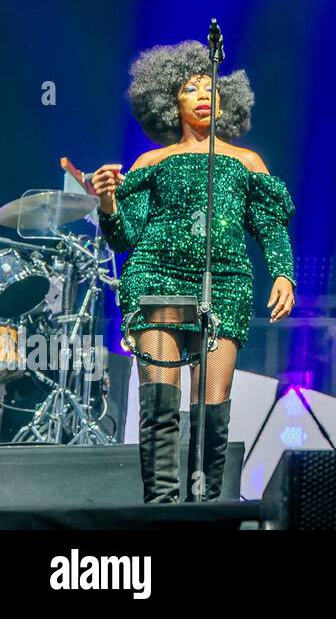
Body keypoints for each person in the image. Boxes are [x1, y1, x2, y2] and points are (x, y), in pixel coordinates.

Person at [90, 41, 296, 502]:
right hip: (156, 278)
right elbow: (125, 237)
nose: (204, 94)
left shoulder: (246, 162)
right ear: (170, 101)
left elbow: (270, 225)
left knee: (210, 408)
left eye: (211, 87)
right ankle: (161, 509)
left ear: (225, 100)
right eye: (190, 87)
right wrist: (107, 202)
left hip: (223, 285)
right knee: (160, 406)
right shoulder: (150, 163)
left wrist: (283, 272)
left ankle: (204, 509)